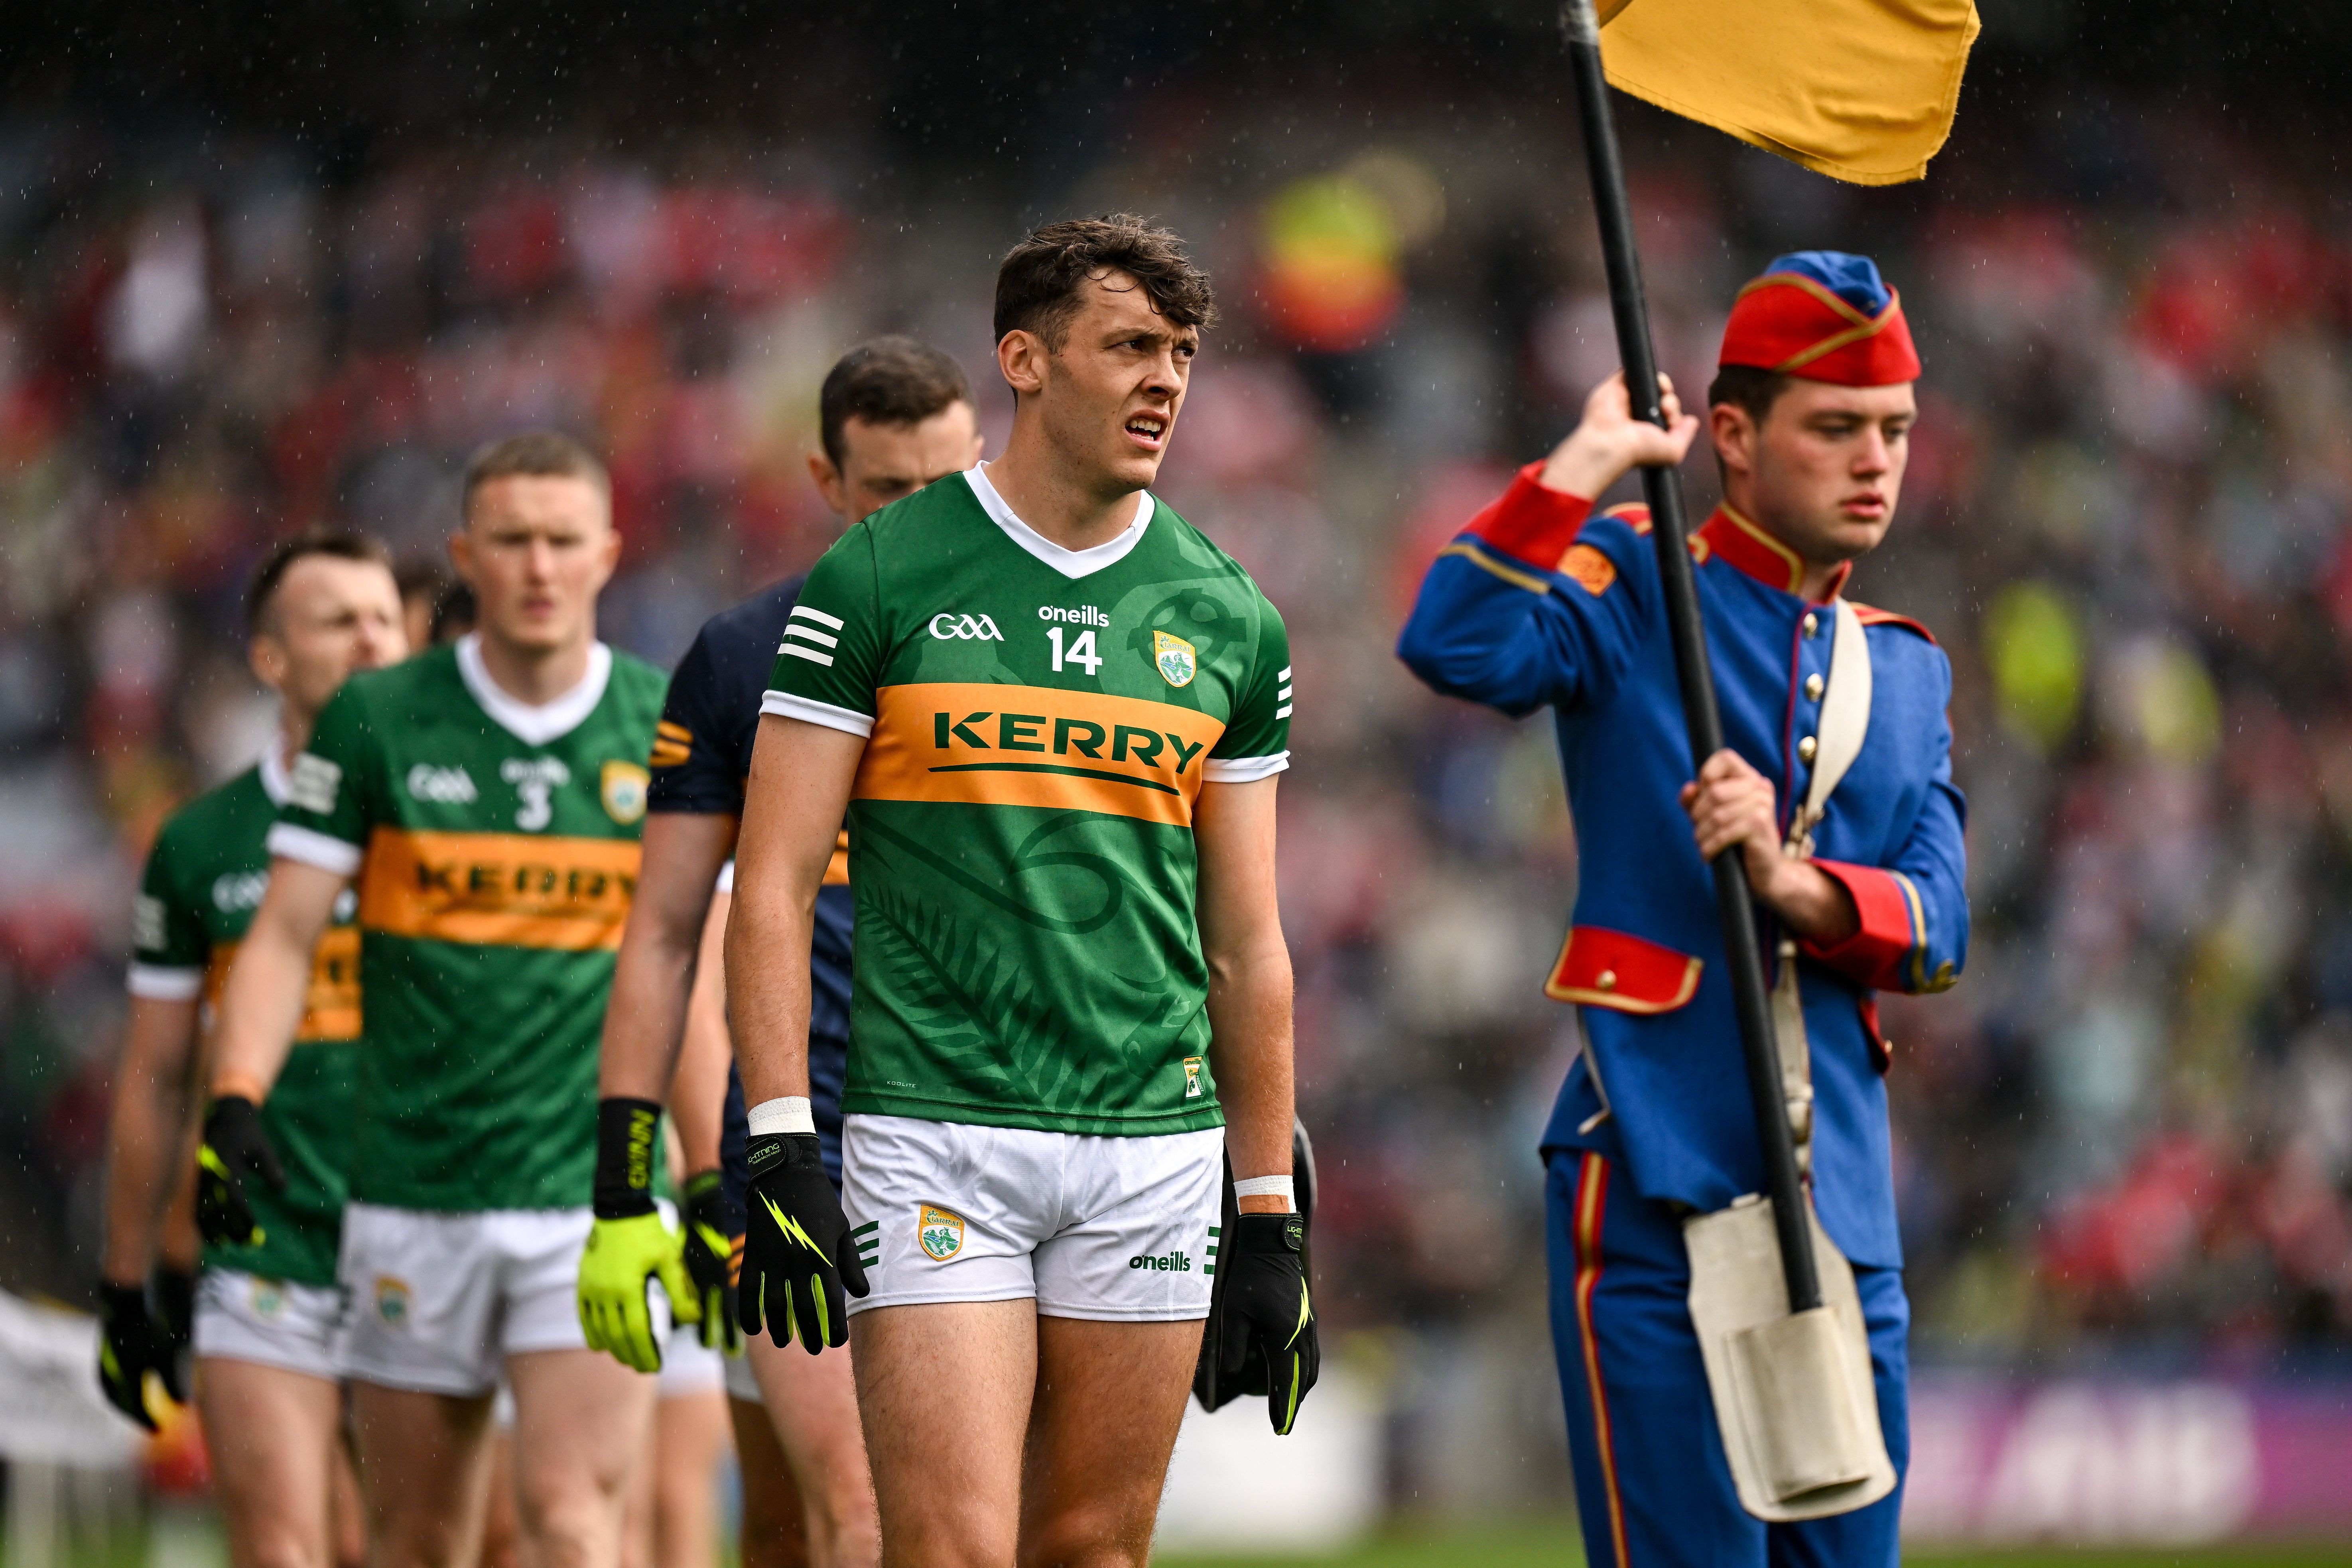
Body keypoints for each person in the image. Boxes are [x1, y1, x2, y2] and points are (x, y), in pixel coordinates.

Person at [728, 215, 1317, 1568]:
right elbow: (768, 885)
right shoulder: (877, 573)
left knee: (1093, 1553)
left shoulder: (1231, 615)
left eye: (1179, 353)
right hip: (935, 1130)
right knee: (944, 1552)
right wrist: (778, 1140)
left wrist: (1268, 1208)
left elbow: (1244, 944)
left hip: (1150, 1150)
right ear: (1025, 361)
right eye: (1128, 347)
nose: (1165, 379)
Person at [1396, 251, 1968, 1568]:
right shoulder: (1638, 581)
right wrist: (1588, 461)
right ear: (1731, 436)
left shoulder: (1906, 665)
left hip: (1841, 1205)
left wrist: (1792, 883)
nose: (1872, 460)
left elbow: (1937, 928)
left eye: (1890, 431)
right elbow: (1454, 640)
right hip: (1657, 1168)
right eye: (1833, 428)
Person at [195, 431, 670, 1568]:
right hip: (411, 1196)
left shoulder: (665, 720)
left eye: (563, 540)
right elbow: (284, 936)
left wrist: (697, 1174)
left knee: (572, 1521)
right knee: (417, 1542)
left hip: (588, 1203)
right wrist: (235, 1094)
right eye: (511, 540)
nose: (539, 567)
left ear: (607, 551)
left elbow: (678, 970)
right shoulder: (377, 720)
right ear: (466, 553)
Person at [580, 336, 985, 1568]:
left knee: (796, 1528)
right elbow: (663, 934)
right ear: (824, 478)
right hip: (803, 1146)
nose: (921, 517)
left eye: (947, 486)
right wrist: (630, 1181)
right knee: (863, 1515)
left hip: (996, 1126)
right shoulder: (743, 656)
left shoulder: (1041, 645)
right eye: (886, 492)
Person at [98, 531, 406, 1568]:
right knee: (284, 1548)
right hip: (268, 1240)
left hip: (443, 1226)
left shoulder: (463, 807)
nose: (373, 637)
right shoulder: (201, 842)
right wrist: (129, 1274)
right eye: (338, 620)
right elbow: (156, 1079)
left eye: (384, 616)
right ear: (270, 657)